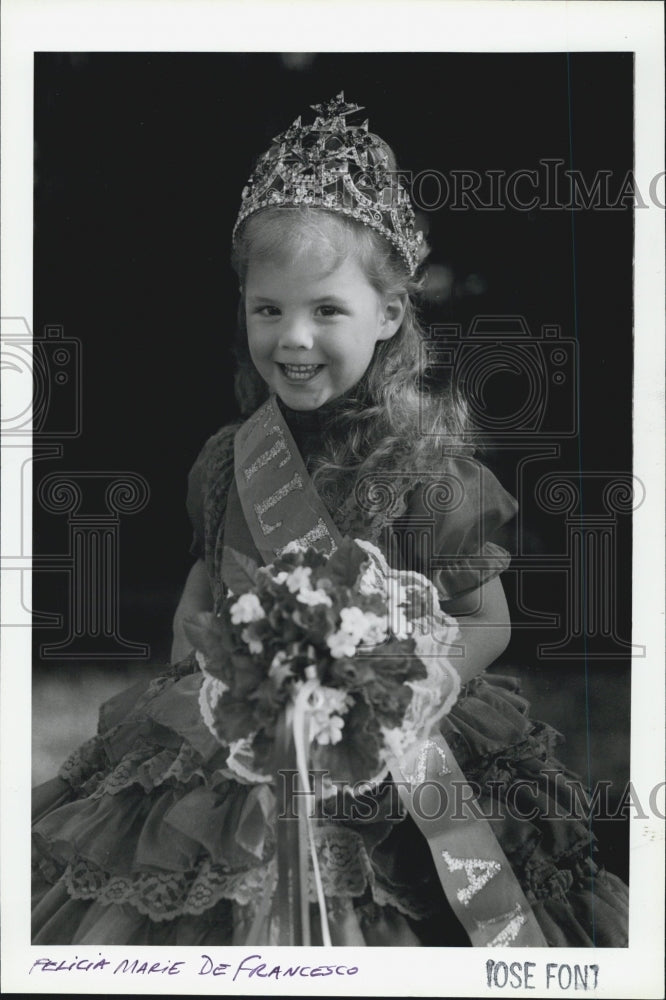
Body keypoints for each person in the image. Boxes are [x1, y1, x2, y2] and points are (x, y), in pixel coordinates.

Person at [32, 93, 628, 947]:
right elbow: (206, 580)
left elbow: (486, 620)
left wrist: (399, 696)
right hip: (236, 739)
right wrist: (199, 679)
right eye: (268, 308)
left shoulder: (429, 474)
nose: (293, 338)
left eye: (326, 311)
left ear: (389, 315)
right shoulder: (228, 459)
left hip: (388, 747)